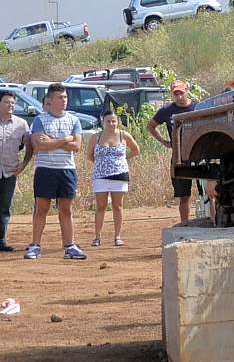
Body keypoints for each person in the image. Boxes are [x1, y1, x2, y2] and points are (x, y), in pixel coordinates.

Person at [25, 83, 86, 260]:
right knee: (41, 208)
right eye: (60, 97)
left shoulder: (74, 120)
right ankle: (35, 246)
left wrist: (55, 141)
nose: (64, 100)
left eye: (65, 97)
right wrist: (66, 139)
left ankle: (69, 246)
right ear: (49, 101)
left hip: (66, 170)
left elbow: (77, 146)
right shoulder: (40, 120)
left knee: (66, 209)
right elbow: (39, 145)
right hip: (45, 169)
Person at [87, 110, 141, 246]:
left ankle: (117, 236)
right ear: (103, 122)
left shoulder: (124, 135)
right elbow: (89, 155)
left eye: (113, 121)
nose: (111, 123)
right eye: (108, 121)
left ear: (117, 122)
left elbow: (136, 150)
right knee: (101, 206)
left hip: (120, 174)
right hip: (100, 176)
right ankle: (97, 237)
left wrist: (123, 159)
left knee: (118, 206)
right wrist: (102, 164)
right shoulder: (96, 137)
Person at [148, 80, 197, 223]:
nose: (179, 96)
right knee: (184, 195)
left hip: (199, 154)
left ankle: (215, 223)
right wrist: (164, 141)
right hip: (179, 157)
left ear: (186, 90)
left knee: (210, 193)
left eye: (181, 93)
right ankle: (185, 224)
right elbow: (151, 126)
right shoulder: (167, 110)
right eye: (176, 94)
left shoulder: (197, 106)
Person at [0, 90, 33, 252]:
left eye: (13, 103)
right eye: (7, 102)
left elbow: (29, 145)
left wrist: (24, 163)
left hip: (10, 171)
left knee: (5, 207)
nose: (11, 105)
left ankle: (1, 240)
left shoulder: (21, 124)